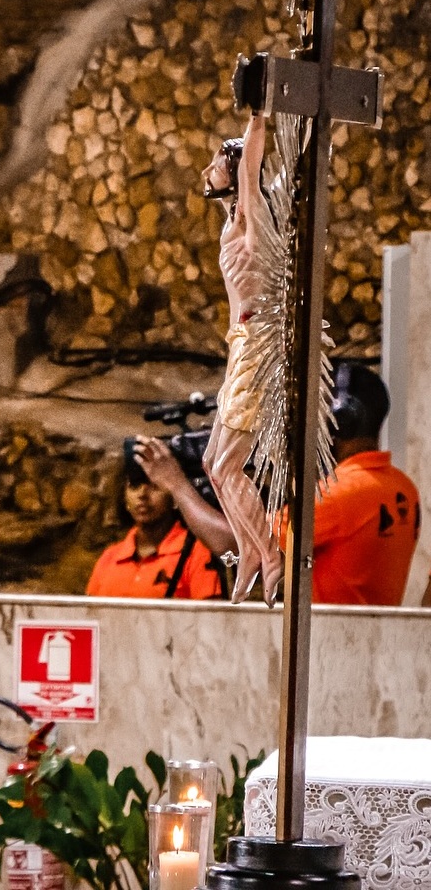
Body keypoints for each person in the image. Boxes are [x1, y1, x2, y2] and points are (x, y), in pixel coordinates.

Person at [200, 113, 285, 605]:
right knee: (213, 463)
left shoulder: (253, 212)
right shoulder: (233, 217)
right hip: (241, 344)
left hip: (257, 345)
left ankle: (271, 551)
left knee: (230, 466)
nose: (209, 168)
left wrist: (259, 115)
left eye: (217, 160)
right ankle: (249, 551)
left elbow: (252, 161)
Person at [311, 361, 420, 605]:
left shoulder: (339, 493)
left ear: (340, 420)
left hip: (329, 638)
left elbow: (244, 543)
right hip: (376, 639)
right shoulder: (405, 489)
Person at [85, 437, 232, 600]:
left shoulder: (197, 552)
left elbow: (208, 619)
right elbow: (91, 618)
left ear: (175, 499)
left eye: (154, 487)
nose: (142, 495)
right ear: (124, 499)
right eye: (134, 487)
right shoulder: (110, 557)